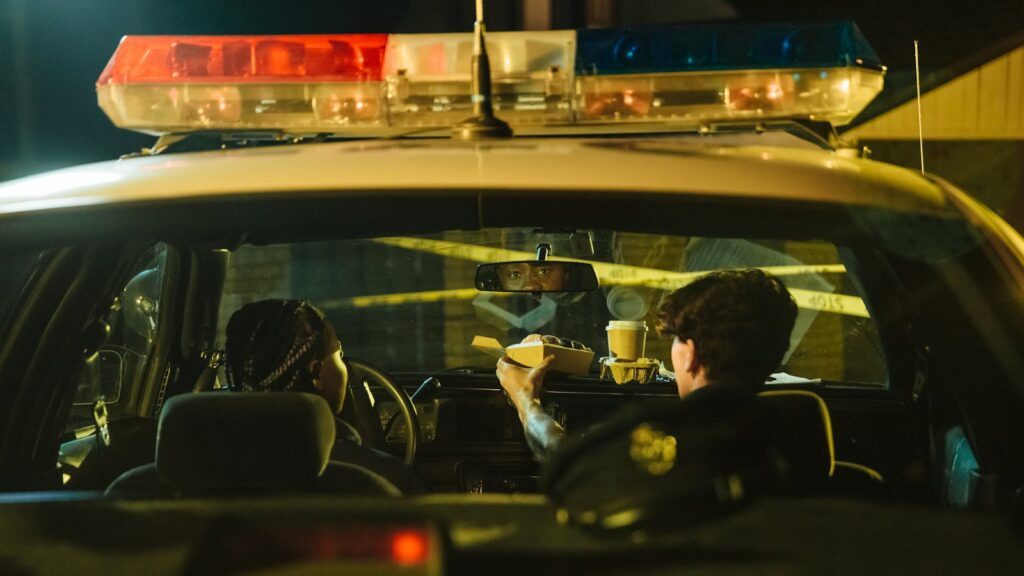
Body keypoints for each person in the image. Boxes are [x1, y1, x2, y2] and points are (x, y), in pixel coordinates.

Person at [496, 269, 798, 461]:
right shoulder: (796, 438)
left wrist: (525, 399)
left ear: (690, 354)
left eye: (675, 339)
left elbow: (566, 457)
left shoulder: (665, 439)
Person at [225, 299, 424, 493]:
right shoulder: (385, 477)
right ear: (317, 372)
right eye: (339, 354)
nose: (346, 366)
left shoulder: (216, 468)